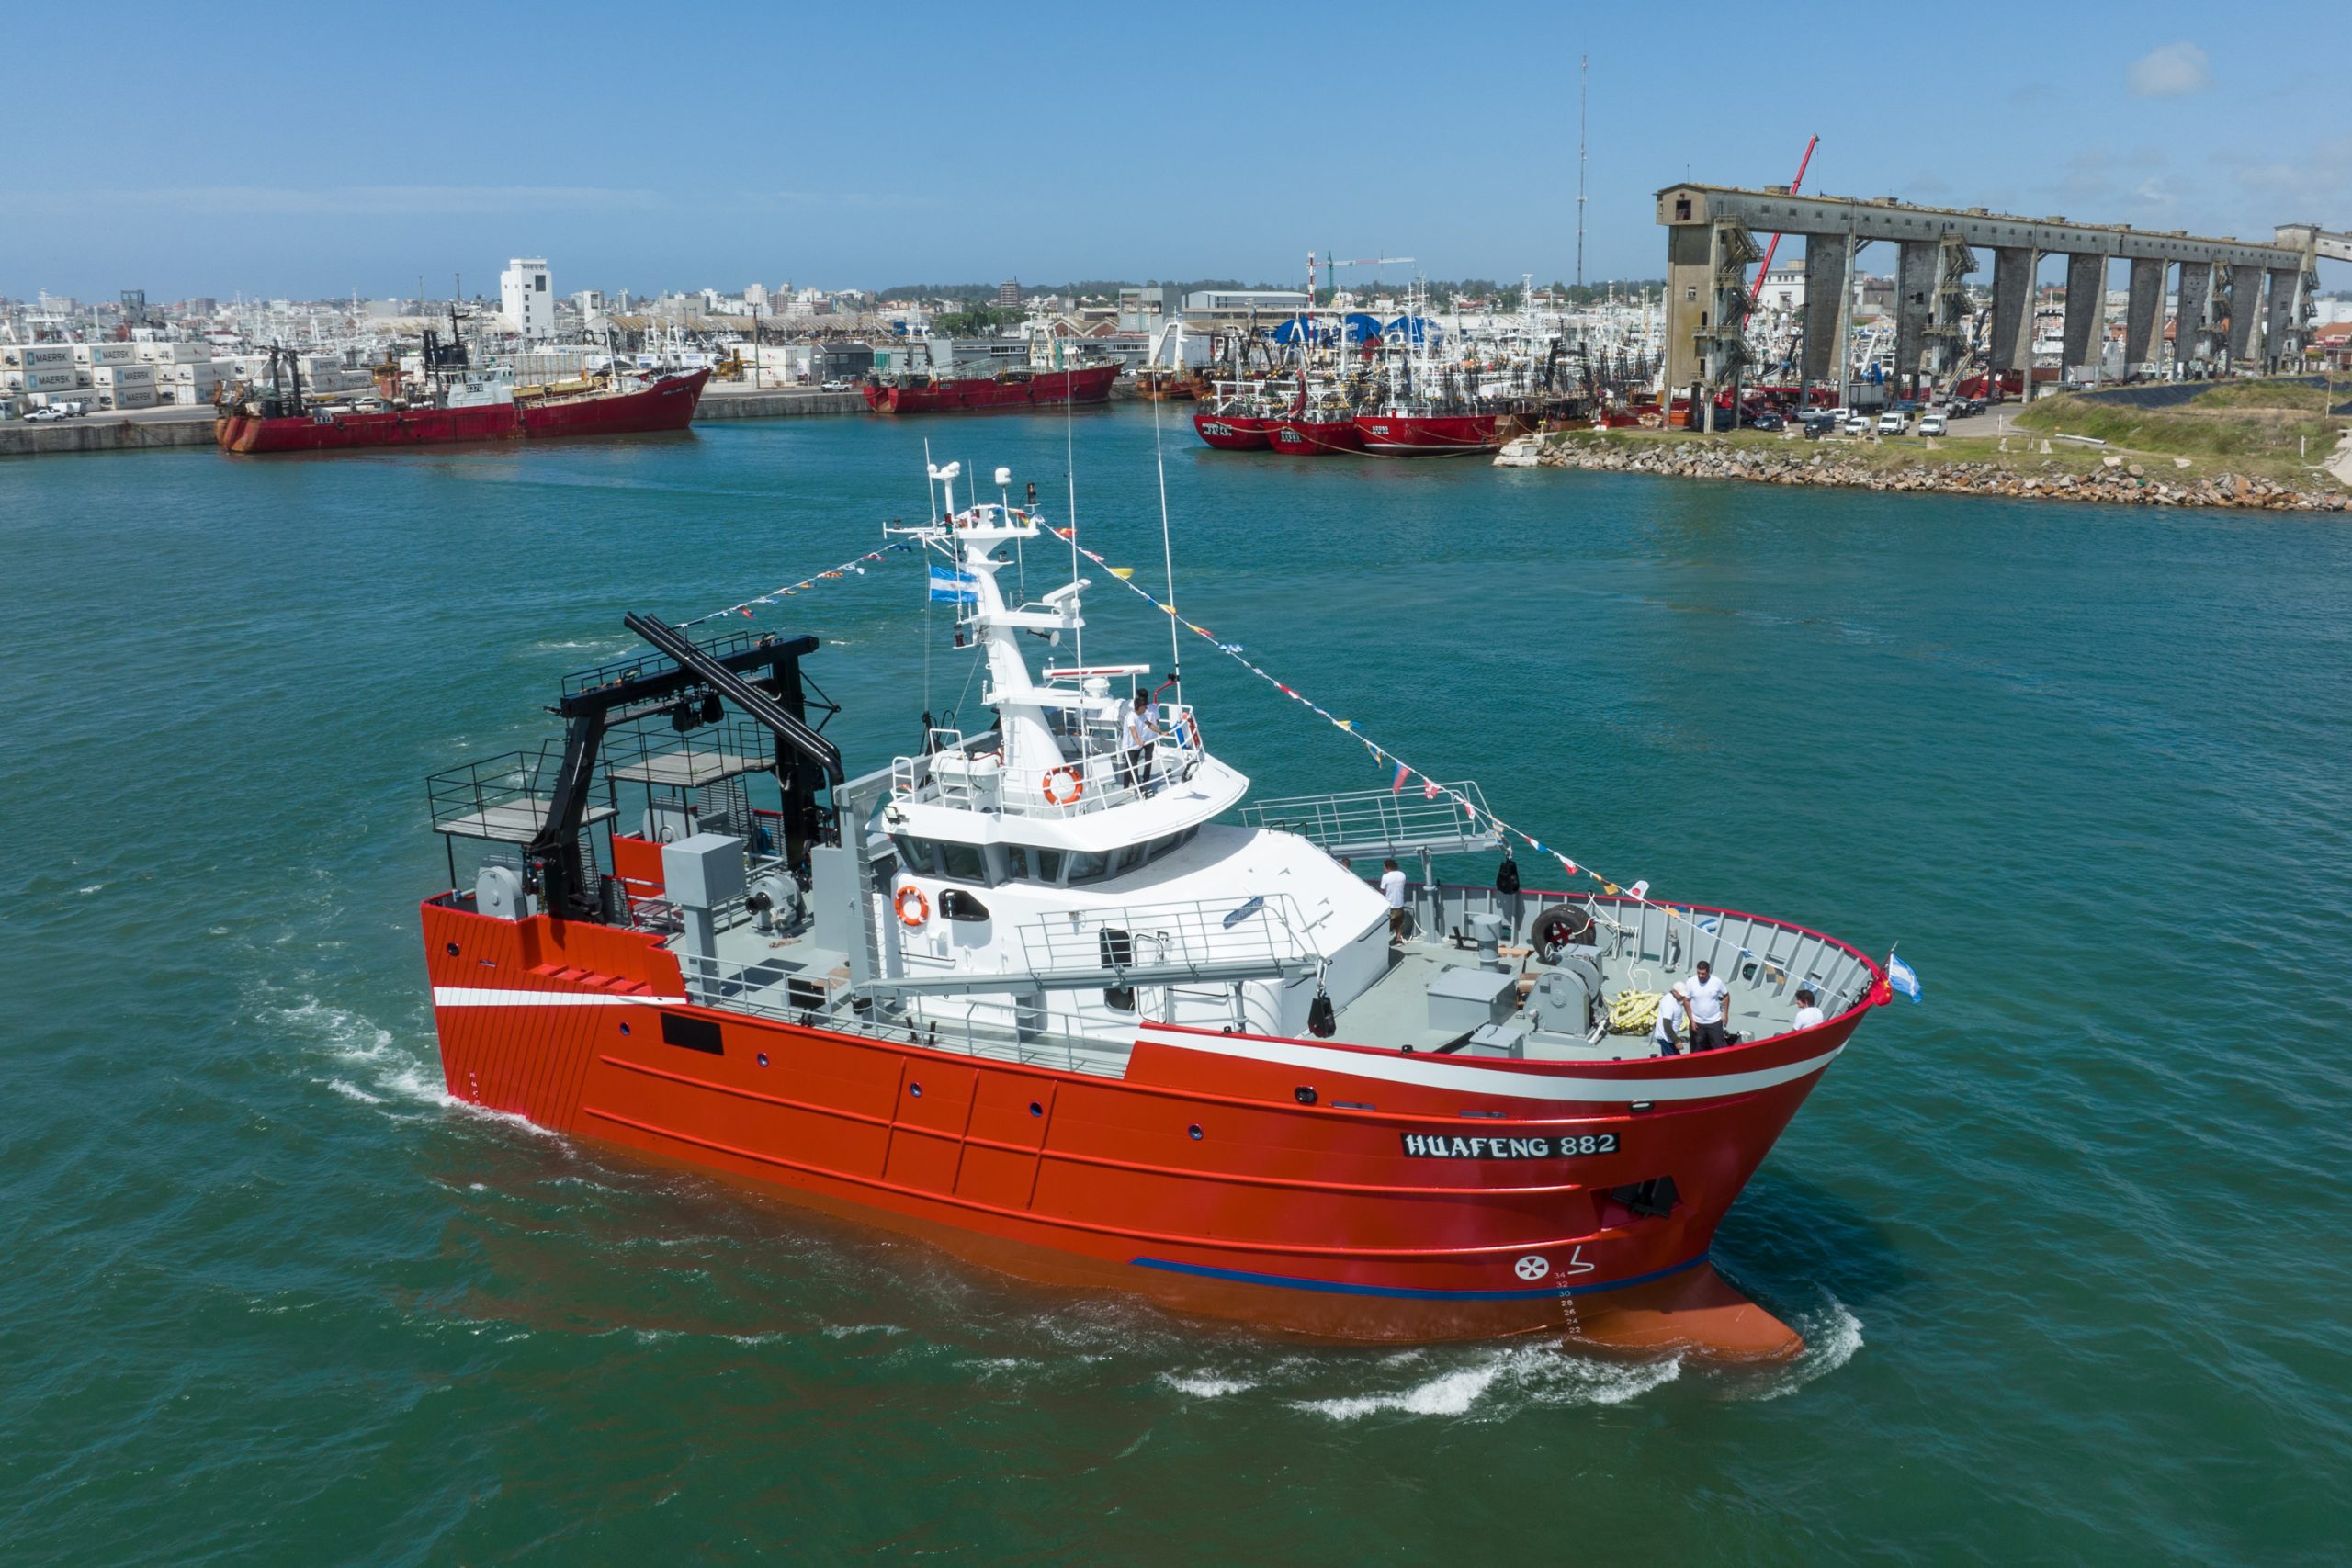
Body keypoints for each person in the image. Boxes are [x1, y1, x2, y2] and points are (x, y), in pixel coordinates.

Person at [1683, 959, 1731, 1052]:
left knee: (1720, 1048)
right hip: (1697, 1023)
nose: (1700, 976)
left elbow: (1726, 995)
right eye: (1698, 973)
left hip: (1714, 1022)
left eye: (1703, 973)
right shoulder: (1690, 982)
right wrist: (1691, 1020)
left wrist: (1725, 1014)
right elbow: (1686, 1001)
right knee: (1696, 1049)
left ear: (1708, 972)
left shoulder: (1716, 982)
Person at [1117, 690, 1157, 794]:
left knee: (1129, 767)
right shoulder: (1131, 716)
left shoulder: (1141, 715)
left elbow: (1150, 724)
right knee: (1133, 768)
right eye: (1144, 707)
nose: (1146, 708)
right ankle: (1140, 789)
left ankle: (1126, 787)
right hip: (1129, 746)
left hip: (1135, 746)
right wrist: (1139, 741)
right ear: (1139, 707)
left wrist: (1161, 732)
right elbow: (1133, 730)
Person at [1652, 983, 1690, 1055]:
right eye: (1681, 994)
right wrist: (1676, 1041)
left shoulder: (1676, 999)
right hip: (1665, 1038)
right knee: (1674, 1061)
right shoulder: (1668, 1003)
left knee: (1669, 1060)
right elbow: (1666, 1024)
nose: (1683, 996)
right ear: (1674, 991)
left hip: (1670, 1038)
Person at [1379, 857, 1408, 943]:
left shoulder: (1385, 876)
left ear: (1388, 867)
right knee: (1399, 923)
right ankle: (1398, 938)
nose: (1384, 869)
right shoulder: (1402, 874)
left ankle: (1383, 942)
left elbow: (1382, 890)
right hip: (1400, 904)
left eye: (1384, 867)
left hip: (1390, 906)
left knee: (1387, 925)